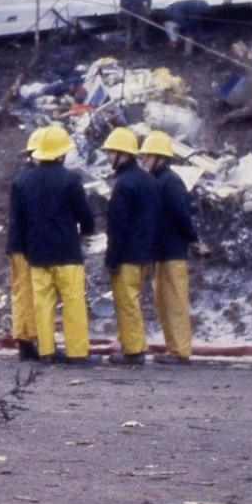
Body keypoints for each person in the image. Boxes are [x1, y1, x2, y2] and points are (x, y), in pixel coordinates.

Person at [9, 125, 96, 364]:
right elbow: (84, 216)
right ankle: (77, 353)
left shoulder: (22, 181)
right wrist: (86, 231)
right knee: (73, 302)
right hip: (67, 252)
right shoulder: (70, 180)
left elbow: (19, 221)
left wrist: (27, 250)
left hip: (37, 254)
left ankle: (47, 351)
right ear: (61, 153)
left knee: (43, 304)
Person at [141, 129, 204, 363]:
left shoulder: (171, 182)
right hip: (160, 251)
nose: (144, 159)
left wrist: (193, 239)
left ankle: (180, 351)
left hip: (172, 252)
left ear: (161, 157)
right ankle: (174, 348)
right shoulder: (157, 181)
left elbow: (182, 215)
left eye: (148, 155)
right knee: (163, 303)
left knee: (174, 302)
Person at [102, 126, 160, 365]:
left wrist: (112, 258)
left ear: (122, 154)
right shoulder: (149, 180)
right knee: (133, 301)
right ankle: (131, 346)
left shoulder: (124, 184)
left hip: (127, 254)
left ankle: (134, 351)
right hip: (143, 253)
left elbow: (118, 225)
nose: (107, 157)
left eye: (111, 153)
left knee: (127, 303)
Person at [2, 130, 41, 360]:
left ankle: (25, 337)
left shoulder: (23, 177)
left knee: (22, 291)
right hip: (23, 247)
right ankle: (26, 339)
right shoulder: (28, 180)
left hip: (19, 244)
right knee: (25, 292)